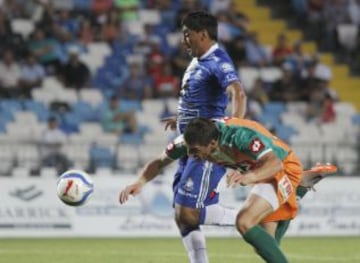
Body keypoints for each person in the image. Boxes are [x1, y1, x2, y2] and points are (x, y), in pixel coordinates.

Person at [119, 117, 337, 262]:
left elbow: (274, 164)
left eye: (196, 151)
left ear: (213, 143)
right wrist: (139, 182)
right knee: (267, 245)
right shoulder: (192, 140)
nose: (192, 155)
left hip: (280, 168)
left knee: (244, 222)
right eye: (189, 150)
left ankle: (298, 184)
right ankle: (300, 188)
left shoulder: (240, 137)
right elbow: (159, 161)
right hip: (256, 172)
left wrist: (248, 177)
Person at [153, 10, 247, 263]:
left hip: (205, 146)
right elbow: (202, 99)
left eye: (187, 35)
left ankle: (252, 216)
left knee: (188, 212)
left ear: (202, 34)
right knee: (181, 214)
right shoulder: (198, 60)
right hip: (189, 141)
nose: (184, 40)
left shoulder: (218, 60)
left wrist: (233, 129)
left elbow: (238, 93)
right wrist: (181, 119)